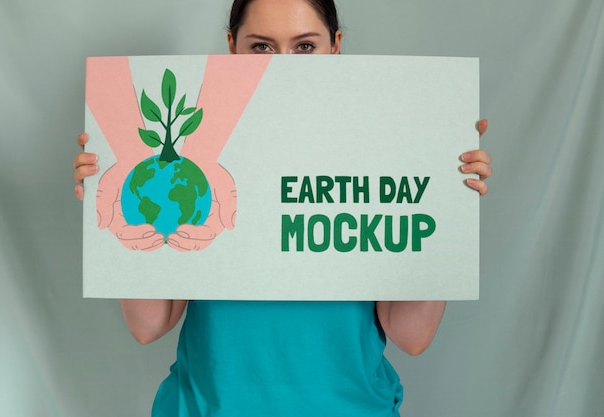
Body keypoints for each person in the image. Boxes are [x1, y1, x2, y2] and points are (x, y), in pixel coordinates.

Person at [73, 0, 492, 415]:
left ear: (335, 46)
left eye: (305, 46)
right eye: (261, 47)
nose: (282, 66)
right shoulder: (194, 153)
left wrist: (446, 201)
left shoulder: (382, 145)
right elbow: (150, 324)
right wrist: (118, 196)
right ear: (232, 47)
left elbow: (411, 335)